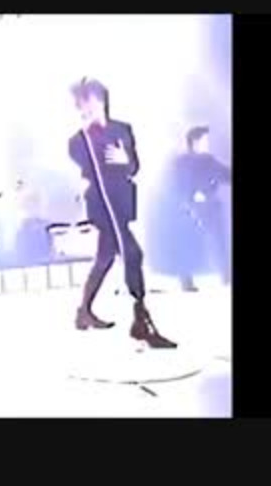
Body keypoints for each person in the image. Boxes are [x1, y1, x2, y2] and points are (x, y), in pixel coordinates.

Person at [66, 78, 176, 348]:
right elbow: (88, 169)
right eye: (81, 104)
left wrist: (125, 160)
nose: (87, 108)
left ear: (101, 100)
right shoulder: (78, 140)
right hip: (101, 205)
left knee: (105, 257)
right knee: (132, 254)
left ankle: (83, 312)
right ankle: (141, 320)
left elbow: (134, 166)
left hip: (122, 201)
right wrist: (90, 135)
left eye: (90, 101)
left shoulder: (123, 129)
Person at [167, 126, 231, 289]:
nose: (207, 144)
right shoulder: (182, 162)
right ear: (195, 142)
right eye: (204, 140)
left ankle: (227, 275)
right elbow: (178, 184)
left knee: (219, 241)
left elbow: (226, 175)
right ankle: (186, 280)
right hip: (191, 208)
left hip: (210, 207)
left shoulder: (209, 160)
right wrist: (192, 196)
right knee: (189, 242)